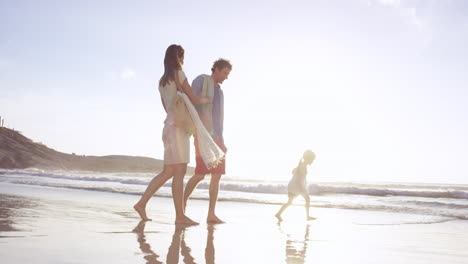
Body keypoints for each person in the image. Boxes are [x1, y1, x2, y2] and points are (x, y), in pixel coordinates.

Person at [133, 44, 210, 225]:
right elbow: (194, 98)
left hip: (168, 127)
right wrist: (207, 100)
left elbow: (166, 107)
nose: (184, 60)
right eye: (183, 57)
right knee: (179, 172)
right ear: (179, 57)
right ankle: (180, 216)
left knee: (168, 171)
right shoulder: (179, 74)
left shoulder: (162, 81)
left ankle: (142, 203)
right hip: (178, 130)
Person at [183, 59, 232, 224]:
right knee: (200, 174)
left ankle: (211, 213)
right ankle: (182, 207)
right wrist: (194, 128)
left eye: (228, 74)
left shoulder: (221, 92)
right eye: (224, 73)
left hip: (218, 136)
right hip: (202, 134)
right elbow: (188, 101)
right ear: (216, 69)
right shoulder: (202, 80)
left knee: (217, 175)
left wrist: (222, 139)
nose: (226, 77)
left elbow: (219, 118)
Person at [275, 150, 316, 221]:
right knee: (307, 199)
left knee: (290, 202)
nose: (313, 161)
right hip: (296, 186)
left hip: (292, 185)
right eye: (312, 159)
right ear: (308, 159)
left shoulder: (302, 165)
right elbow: (299, 179)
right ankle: (307, 216)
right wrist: (302, 189)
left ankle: (278, 214)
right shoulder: (303, 166)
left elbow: (293, 172)